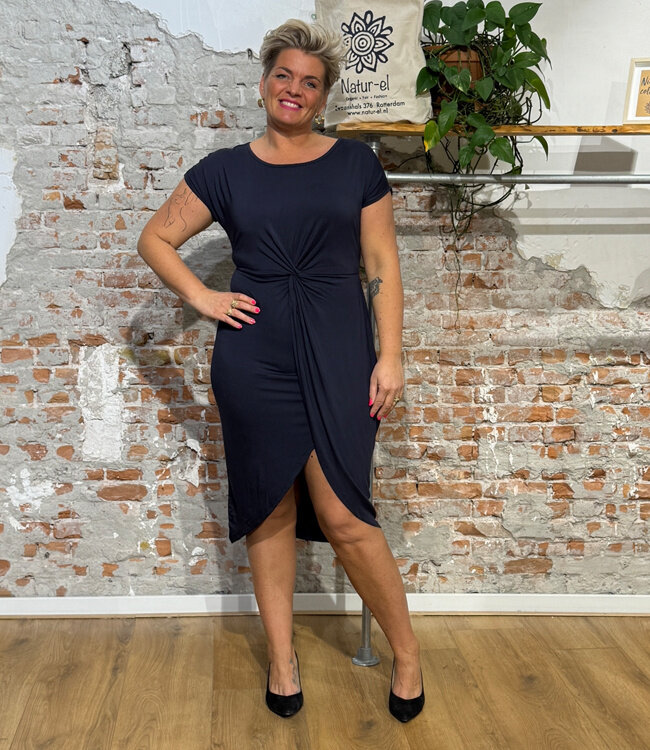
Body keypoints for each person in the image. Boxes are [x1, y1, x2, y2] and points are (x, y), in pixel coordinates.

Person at [136, 18, 424, 722]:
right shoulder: (225, 170)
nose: (294, 89)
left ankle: (408, 655)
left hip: (339, 348)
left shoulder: (355, 165)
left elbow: (381, 262)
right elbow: (156, 238)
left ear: (323, 97)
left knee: (345, 513)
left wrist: (390, 354)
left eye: (310, 82)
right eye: (284, 75)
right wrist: (203, 297)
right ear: (264, 83)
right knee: (268, 506)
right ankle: (282, 660)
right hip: (255, 357)